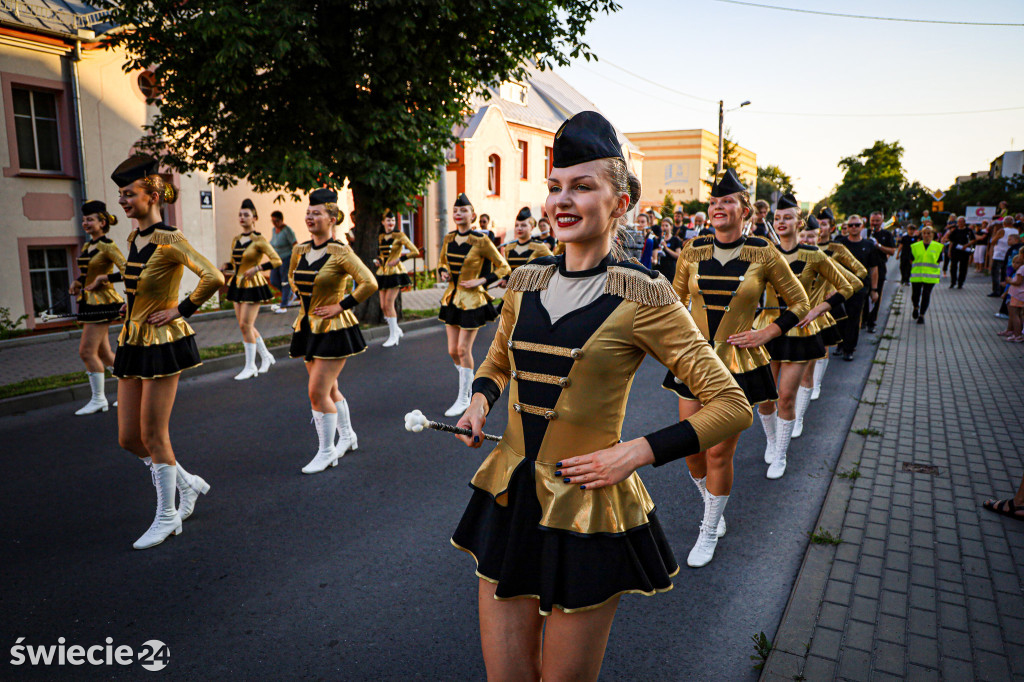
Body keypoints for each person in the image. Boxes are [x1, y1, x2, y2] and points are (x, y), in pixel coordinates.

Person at [452, 111, 752, 681]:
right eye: (555, 187)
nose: (562, 201)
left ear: (620, 202)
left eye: (583, 186)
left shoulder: (645, 295)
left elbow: (730, 403)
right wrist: (480, 402)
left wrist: (635, 452)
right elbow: (496, 359)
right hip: (509, 494)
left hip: (584, 507)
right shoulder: (526, 280)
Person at [662, 169, 809, 566]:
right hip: (694, 364)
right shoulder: (692, 250)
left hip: (740, 367)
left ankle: (708, 529)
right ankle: (712, 503)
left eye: (727, 202)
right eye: (713, 203)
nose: (718, 208)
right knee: (691, 452)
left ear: (745, 210)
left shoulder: (763, 252)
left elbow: (799, 302)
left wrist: (768, 333)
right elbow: (673, 304)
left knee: (717, 455)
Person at [109, 154, 225, 549]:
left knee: (153, 433)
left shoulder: (170, 239)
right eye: (121, 195)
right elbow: (142, 283)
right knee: (128, 438)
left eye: (129, 194)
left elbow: (213, 276)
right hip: (131, 340)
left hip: (163, 344)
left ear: (152, 195)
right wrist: (132, 304)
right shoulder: (132, 238)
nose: (123, 201)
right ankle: (188, 483)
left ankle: (167, 515)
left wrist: (180, 309)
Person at [753, 195, 854, 477]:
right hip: (768, 329)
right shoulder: (765, 252)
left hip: (800, 332)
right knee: (765, 397)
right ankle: (772, 442)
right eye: (777, 218)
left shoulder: (815, 255)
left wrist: (818, 309)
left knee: (786, 396)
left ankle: (781, 455)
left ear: (799, 222)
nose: (781, 222)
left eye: (787, 218)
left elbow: (847, 286)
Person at [288, 188, 378, 474]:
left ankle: (327, 452)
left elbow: (369, 282)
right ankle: (348, 435)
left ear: (332, 218)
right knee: (330, 388)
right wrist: (307, 298)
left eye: (317, 213)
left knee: (317, 392)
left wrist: (340, 305)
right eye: (308, 213)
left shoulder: (340, 251)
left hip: (334, 329)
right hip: (307, 327)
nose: (310, 217)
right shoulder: (299, 249)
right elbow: (293, 277)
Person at [437, 193, 511, 417]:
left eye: (463, 211)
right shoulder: (449, 238)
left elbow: (503, 267)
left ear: (473, 215)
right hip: (452, 298)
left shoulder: (481, 240)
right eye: (456, 211)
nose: (459, 214)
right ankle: (467, 383)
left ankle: (464, 398)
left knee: (462, 349)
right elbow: (441, 261)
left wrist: (482, 280)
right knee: (452, 350)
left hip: (472, 300)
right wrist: (442, 271)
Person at [69, 200, 127, 415]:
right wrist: (77, 282)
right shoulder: (87, 246)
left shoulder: (108, 245)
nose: (85, 223)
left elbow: (127, 270)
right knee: (103, 352)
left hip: (102, 303)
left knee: (86, 351)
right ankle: (130, 387)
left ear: (102, 222)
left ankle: (98, 399)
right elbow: (86, 274)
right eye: (84, 220)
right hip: (88, 301)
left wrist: (104, 277)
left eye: (90, 219)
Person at [796, 219, 861, 404]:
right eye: (803, 236)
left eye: (811, 236)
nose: (807, 240)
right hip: (796, 317)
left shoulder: (825, 259)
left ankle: (814, 384)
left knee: (819, 352)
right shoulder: (792, 259)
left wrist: (832, 293)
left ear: (819, 237)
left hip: (820, 314)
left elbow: (855, 281)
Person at [225, 199, 283, 380]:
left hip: (254, 284)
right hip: (237, 284)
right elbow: (235, 263)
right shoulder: (236, 239)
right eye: (240, 215)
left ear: (254, 218)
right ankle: (266, 356)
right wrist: (226, 266)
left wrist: (258, 268)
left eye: (246, 215)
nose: (242, 218)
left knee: (245, 325)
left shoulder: (259, 240)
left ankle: (250, 366)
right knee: (245, 326)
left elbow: (277, 260)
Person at [834, 215, 879, 360]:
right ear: (846, 227)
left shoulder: (869, 245)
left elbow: (874, 268)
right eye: (851, 225)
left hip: (859, 288)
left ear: (862, 226)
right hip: (839, 287)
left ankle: (849, 349)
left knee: (853, 319)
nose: (853, 227)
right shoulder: (839, 244)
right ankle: (840, 344)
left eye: (856, 225)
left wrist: (874, 290)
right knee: (839, 317)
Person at [374, 210, 421, 348]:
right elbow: (382, 254)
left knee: (389, 303)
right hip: (383, 272)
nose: (391, 223)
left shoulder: (400, 235)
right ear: (383, 222)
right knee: (383, 306)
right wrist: (379, 260)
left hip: (396, 272)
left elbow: (415, 251)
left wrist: (400, 259)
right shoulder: (381, 236)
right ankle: (397, 330)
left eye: (393, 221)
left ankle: (393, 336)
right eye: (388, 221)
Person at [863, 211, 895, 333]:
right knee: (863, 296)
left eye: (877, 221)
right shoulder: (865, 233)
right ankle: (864, 319)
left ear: (882, 221)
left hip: (879, 269)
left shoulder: (886, 234)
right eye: (873, 221)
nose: (875, 223)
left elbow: (892, 251)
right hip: (864, 269)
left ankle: (872, 322)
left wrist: (878, 245)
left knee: (875, 295)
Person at [501, 207, 553, 275]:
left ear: (532, 227)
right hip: (512, 285)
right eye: (516, 225)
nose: (519, 228)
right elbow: (508, 271)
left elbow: (553, 265)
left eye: (523, 225)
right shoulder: (509, 247)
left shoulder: (540, 246)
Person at [909, 225, 943, 324]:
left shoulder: (938, 247)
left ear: (933, 235)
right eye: (924, 233)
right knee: (915, 295)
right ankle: (916, 307)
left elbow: (939, 260)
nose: (926, 235)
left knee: (926, 295)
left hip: (931, 276)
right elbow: (911, 260)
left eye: (929, 233)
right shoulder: (915, 246)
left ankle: (922, 315)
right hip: (917, 275)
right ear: (921, 234)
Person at [268, 210, 297, 313]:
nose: (274, 223)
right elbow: (273, 242)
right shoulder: (273, 230)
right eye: (272, 221)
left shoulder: (287, 230)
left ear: (281, 220)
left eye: (276, 221)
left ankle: (283, 305)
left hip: (286, 258)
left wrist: (295, 258)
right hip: (276, 259)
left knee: (285, 281)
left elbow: (294, 243)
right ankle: (290, 294)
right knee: (273, 280)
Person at [989, 216, 1019, 297]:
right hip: (1011, 255)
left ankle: (996, 290)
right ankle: (1003, 290)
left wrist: (994, 234)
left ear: (1004, 223)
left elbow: (993, 241)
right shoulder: (1017, 231)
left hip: (999, 255)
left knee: (995, 273)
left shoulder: (1002, 231)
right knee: (1005, 273)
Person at [999, 251, 1024, 342]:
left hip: (1017, 294)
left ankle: (1017, 335)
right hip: (1019, 294)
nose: (1015, 264)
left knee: (1014, 314)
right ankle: (1017, 333)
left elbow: (1018, 282)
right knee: (1018, 315)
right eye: (1014, 262)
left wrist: (1010, 281)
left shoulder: (1021, 269)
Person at [943, 216, 973, 289]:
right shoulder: (955, 231)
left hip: (964, 251)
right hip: (955, 251)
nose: (960, 223)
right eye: (959, 222)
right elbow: (951, 241)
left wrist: (967, 245)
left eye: (962, 222)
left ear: (964, 223)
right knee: (953, 267)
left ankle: (960, 283)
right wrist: (949, 251)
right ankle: (953, 282)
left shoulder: (968, 230)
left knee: (963, 267)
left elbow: (973, 240)